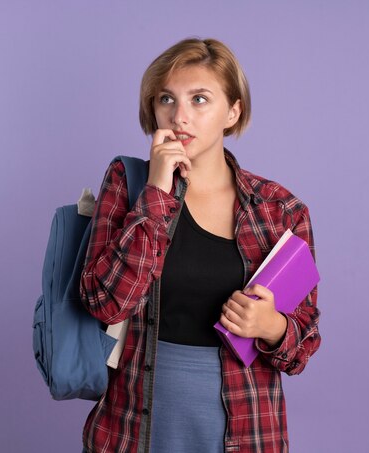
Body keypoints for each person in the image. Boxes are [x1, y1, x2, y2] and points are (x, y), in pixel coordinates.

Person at [80, 37, 321, 453]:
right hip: (134, 425)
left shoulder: (280, 210)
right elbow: (105, 302)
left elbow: (303, 344)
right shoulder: (128, 183)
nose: (180, 116)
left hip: (243, 429)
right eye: (167, 99)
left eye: (200, 99)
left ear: (233, 111)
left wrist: (271, 328)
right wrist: (157, 190)